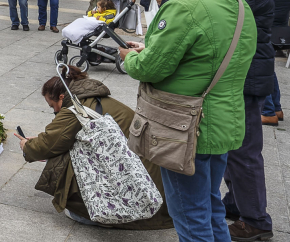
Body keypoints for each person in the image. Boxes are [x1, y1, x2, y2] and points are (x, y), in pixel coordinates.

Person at [120, 0, 255, 242]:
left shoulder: (184, 8)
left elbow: (150, 68)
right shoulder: (239, 4)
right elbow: (204, 53)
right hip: (222, 123)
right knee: (210, 207)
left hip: (185, 128)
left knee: (189, 217)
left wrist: (131, 57)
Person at [17, 66, 173, 230]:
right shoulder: (94, 98)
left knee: (73, 207)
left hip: (143, 196)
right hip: (154, 181)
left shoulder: (76, 108)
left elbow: (48, 144)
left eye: (52, 105)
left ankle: (108, 215)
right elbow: (59, 137)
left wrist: (27, 146)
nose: (54, 110)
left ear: (62, 97)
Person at [213, 0, 275, 242]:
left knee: (243, 150)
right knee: (234, 145)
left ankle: (256, 221)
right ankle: (236, 205)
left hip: (247, 77)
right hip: (250, 74)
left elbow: (221, 25)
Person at [251, 0, 290, 126]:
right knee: (268, 67)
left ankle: (268, 111)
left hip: (267, 26)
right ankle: (276, 108)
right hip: (277, 24)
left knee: (261, 67)